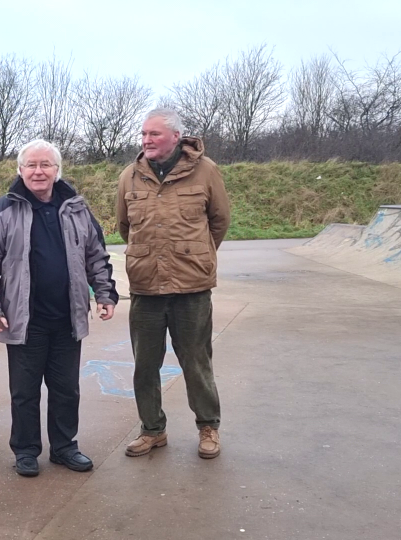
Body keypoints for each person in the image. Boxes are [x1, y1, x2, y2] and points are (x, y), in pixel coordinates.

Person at [0, 139, 118, 477]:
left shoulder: (77, 209)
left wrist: (105, 294)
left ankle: (65, 448)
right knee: (24, 393)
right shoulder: (4, 210)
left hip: (67, 318)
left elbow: (97, 255)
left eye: (46, 165)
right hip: (25, 321)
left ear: (57, 170)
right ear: (20, 170)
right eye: (32, 165)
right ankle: (25, 450)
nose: (38, 171)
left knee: (66, 389)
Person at [115, 108, 231, 459]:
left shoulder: (206, 171)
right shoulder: (129, 176)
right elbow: (124, 226)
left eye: (155, 134)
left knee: (196, 362)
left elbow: (220, 221)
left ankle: (208, 427)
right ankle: (152, 430)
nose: (147, 140)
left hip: (191, 289)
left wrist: (194, 256)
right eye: (144, 134)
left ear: (176, 137)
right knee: (145, 365)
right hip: (146, 287)